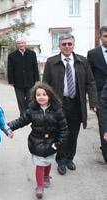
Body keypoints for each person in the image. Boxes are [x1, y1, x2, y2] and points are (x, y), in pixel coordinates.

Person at [43, 34, 99, 175]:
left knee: (73, 133)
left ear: (73, 45)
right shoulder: (51, 62)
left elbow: (90, 82)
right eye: (64, 44)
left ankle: (69, 159)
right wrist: (45, 105)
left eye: (69, 44)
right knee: (61, 134)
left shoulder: (82, 61)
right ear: (59, 46)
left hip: (76, 104)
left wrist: (93, 101)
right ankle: (61, 161)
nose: (67, 47)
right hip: (59, 105)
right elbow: (45, 86)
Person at [6, 83, 68, 198]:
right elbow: (21, 121)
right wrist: (9, 126)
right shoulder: (32, 110)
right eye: (38, 95)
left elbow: (63, 128)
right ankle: (39, 186)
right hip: (36, 141)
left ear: (49, 96)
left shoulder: (57, 111)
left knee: (48, 160)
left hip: (52, 141)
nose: (41, 97)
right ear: (35, 97)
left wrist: (59, 141)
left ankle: (46, 176)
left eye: (44, 94)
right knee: (40, 163)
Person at [87, 25, 107, 163]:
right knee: (104, 125)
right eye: (105, 35)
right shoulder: (93, 54)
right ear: (100, 37)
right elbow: (90, 78)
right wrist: (93, 100)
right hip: (101, 97)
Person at [7, 37, 39, 116]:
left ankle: (30, 113)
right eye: (19, 43)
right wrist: (11, 81)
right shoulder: (12, 55)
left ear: (25, 44)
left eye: (22, 43)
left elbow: (35, 66)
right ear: (16, 45)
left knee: (30, 98)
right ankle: (23, 114)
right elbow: (10, 69)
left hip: (30, 80)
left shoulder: (32, 54)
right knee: (20, 99)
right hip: (18, 81)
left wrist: (37, 79)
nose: (21, 45)